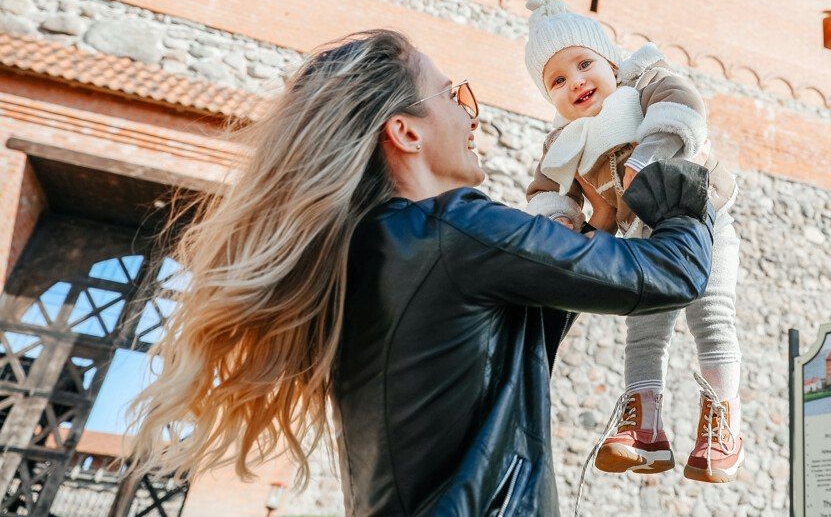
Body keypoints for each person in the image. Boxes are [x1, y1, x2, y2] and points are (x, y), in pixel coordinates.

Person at [127, 28, 715, 516]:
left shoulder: (366, 249)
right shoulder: (460, 230)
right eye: (453, 96)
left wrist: (599, 222)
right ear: (405, 132)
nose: (472, 115)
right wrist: (680, 175)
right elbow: (673, 273)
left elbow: (522, 329)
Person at [521, 0, 744, 483]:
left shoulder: (643, 81)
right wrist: (560, 223)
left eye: (584, 64)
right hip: (643, 237)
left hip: (702, 216)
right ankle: (645, 431)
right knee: (642, 329)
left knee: (710, 314)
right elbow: (546, 193)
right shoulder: (563, 143)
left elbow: (682, 105)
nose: (576, 81)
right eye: (557, 80)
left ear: (611, 62)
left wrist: (650, 153)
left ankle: (723, 423)